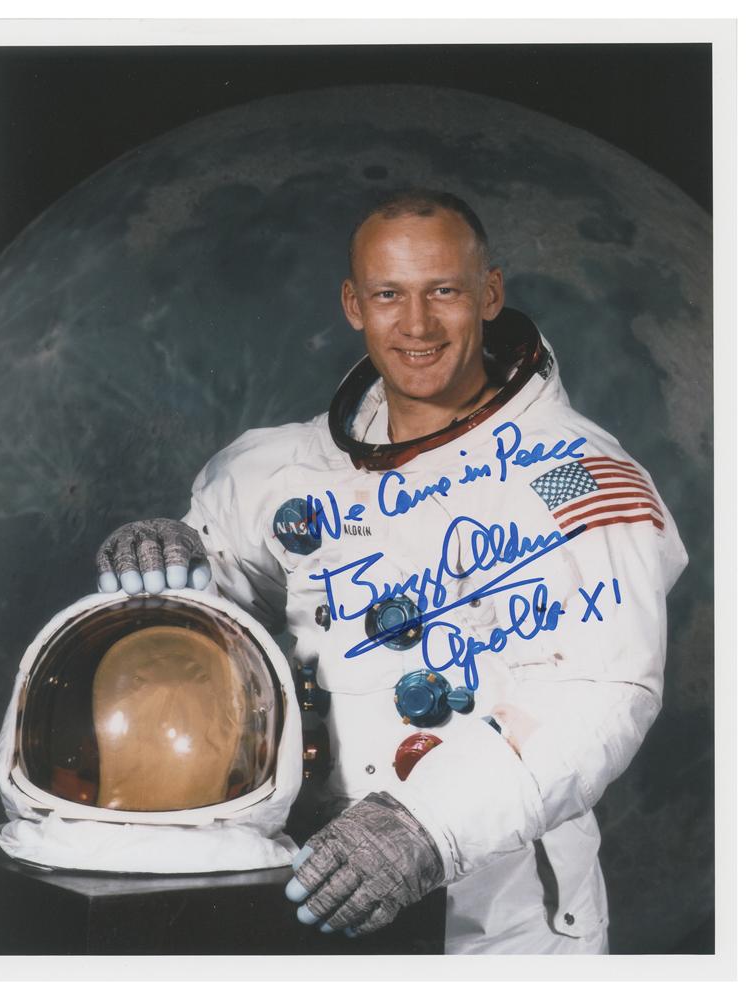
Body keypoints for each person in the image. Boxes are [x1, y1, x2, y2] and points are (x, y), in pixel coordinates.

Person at [95, 190, 688, 954]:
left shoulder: (573, 475)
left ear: (490, 295)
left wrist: (427, 826)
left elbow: (602, 692)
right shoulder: (291, 467)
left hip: (500, 923)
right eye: (388, 295)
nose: (416, 325)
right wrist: (175, 553)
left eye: (443, 291)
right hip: (317, 879)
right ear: (354, 304)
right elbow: (221, 593)